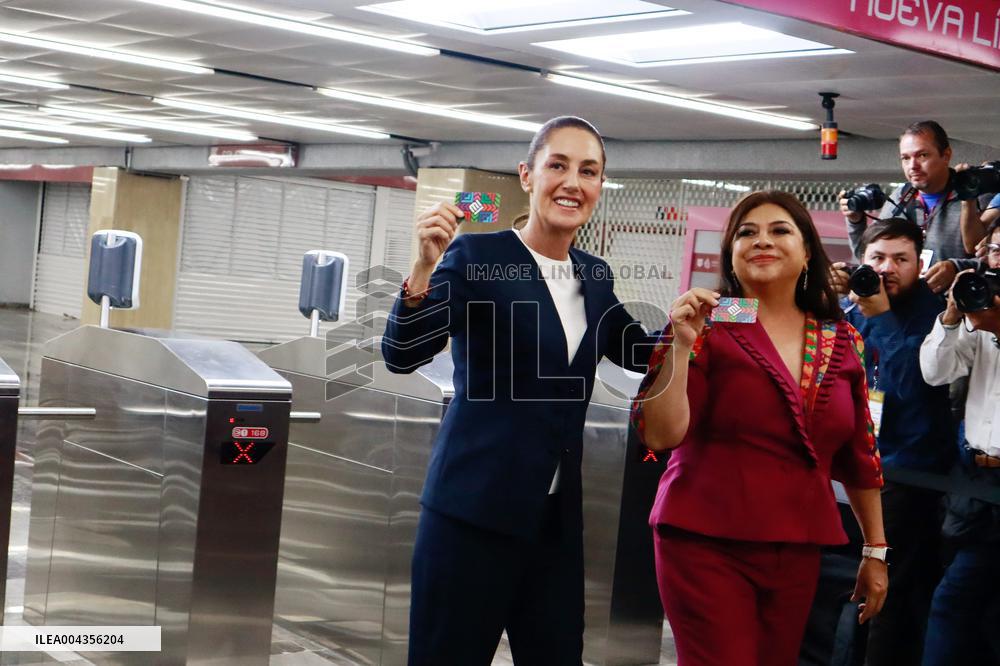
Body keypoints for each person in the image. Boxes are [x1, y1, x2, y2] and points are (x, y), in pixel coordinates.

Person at [381, 116, 658, 665]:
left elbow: (639, 350)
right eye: (558, 166)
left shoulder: (594, 276)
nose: (573, 182)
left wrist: (722, 316)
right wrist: (423, 269)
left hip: (552, 522)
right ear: (527, 176)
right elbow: (403, 353)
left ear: (600, 186)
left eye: (588, 171)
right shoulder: (477, 258)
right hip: (471, 515)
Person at [631, 190, 888, 666]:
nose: (762, 241)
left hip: (797, 546)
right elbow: (660, 436)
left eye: (779, 230)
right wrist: (680, 347)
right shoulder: (710, 322)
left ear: (807, 252)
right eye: (746, 233)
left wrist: (875, 549)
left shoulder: (838, 336)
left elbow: (860, 455)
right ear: (731, 254)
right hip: (705, 539)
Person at [834, 218, 954, 665]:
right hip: (846, 474)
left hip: (907, 478)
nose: (886, 269)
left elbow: (911, 383)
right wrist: (818, 292)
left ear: (919, 264)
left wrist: (881, 317)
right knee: (840, 592)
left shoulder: (937, 313)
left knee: (889, 600)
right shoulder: (849, 306)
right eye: (877, 258)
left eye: (900, 259)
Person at [919, 221, 1000, 666]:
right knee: (954, 602)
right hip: (975, 481)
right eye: (996, 249)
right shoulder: (980, 306)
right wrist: (952, 317)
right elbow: (935, 372)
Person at [840, 120, 985, 293]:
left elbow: (994, 262)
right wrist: (855, 221)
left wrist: (956, 267)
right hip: (904, 302)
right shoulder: (899, 198)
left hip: (957, 303)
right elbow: (866, 258)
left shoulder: (977, 198)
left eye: (922, 155)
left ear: (946, 155)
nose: (913, 166)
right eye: (906, 158)